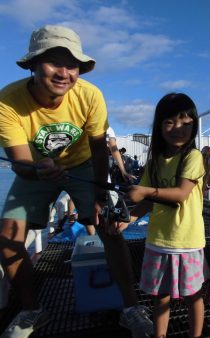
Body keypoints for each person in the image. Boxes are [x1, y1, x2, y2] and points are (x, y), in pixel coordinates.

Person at [0, 25, 153, 338]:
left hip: (83, 165)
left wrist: (99, 193)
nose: (63, 72)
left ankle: (130, 307)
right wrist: (38, 169)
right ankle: (31, 311)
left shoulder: (90, 95)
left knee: (110, 228)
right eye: (53, 61)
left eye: (71, 65)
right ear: (31, 64)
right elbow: (21, 165)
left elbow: (99, 149)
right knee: (7, 238)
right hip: (35, 170)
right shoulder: (7, 101)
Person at [117, 93, 209, 338]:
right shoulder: (155, 159)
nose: (178, 128)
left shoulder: (193, 156)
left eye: (186, 122)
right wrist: (128, 220)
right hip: (158, 241)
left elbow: (180, 193)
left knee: (193, 295)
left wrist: (145, 190)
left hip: (187, 242)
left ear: (194, 125)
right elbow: (147, 202)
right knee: (160, 296)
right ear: (159, 126)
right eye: (169, 122)